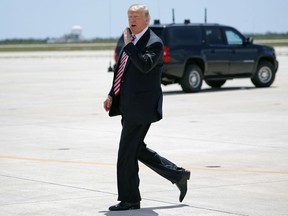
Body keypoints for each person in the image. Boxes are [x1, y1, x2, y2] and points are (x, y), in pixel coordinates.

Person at [103, 4, 190, 211]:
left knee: (125, 154)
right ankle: (177, 174)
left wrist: (129, 46)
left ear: (146, 20)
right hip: (128, 106)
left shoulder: (154, 43)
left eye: (136, 16)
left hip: (142, 109)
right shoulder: (130, 42)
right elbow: (121, 71)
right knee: (136, 150)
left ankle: (130, 199)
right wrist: (111, 94)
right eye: (129, 16)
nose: (131, 19)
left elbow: (144, 65)